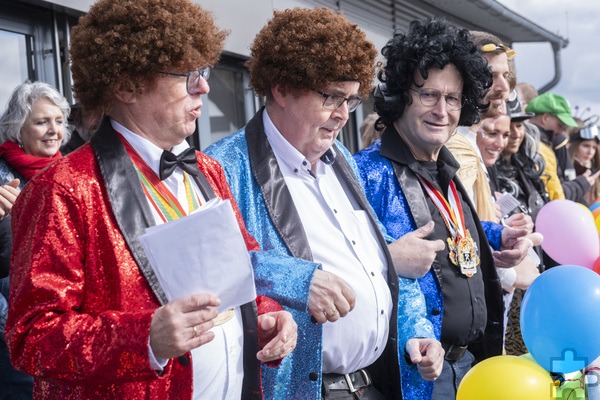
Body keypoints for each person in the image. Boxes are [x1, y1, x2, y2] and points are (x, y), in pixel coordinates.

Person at [5, 1, 297, 399]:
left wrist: (265, 314)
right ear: (126, 85)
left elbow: (239, 273)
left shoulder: (208, 170)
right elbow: (31, 337)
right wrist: (144, 339)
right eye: (187, 75)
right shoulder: (62, 188)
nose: (204, 87)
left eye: (204, 72)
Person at [206, 7, 443, 400]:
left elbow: (381, 264)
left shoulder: (343, 161)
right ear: (281, 88)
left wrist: (418, 330)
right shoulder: (222, 167)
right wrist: (297, 280)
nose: (342, 116)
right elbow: (211, 272)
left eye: (350, 100)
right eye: (331, 96)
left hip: (370, 385)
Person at [353, 18, 531, 399]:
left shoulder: (444, 165)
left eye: (452, 98)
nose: (442, 110)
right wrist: (386, 258)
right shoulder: (365, 173)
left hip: (471, 366)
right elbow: (344, 260)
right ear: (401, 96)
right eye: (428, 95)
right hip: (412, 377)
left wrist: (498, 236)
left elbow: (445, 232)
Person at [0, 80, 70, 400]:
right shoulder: (3, 178)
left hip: (65, 317)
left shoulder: (71, 173)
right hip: (15, 327)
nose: (53, 130)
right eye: (41, 122)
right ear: (18, 130)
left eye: (58, 121)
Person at [526, 92, 600, 202]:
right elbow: (555, 196)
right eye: (560, 126)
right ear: (545, 118)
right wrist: (581, 184)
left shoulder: (534, 143)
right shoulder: (540, 149)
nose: (561, 132)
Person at [568, 122, 600, 205]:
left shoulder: (595, 170)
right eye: (586, 146)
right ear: (575, 146)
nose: (590, 152)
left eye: (594, 147)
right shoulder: (565, 168)